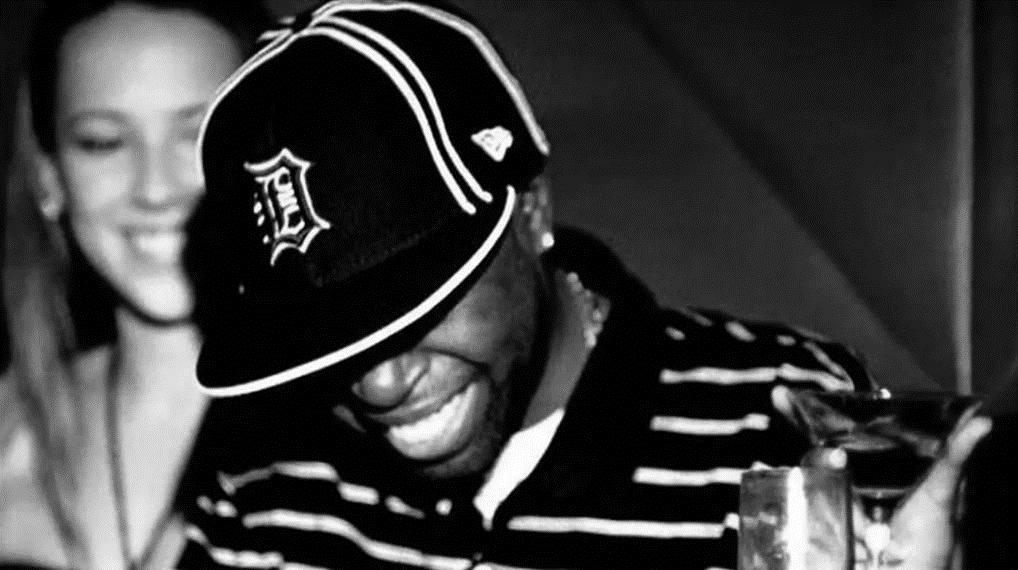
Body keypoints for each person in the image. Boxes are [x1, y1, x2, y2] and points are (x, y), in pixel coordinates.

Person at [175, 1, 992, 568]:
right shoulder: (265, 476)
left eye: (418, 307)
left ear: (532, 212)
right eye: (327, 342)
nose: (381, 385)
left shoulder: (771, 435)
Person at [0, 2, 273, 569]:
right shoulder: (11, 421)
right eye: (104, 141)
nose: (155, 189)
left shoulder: (379, 420)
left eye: (198, 134)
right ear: (49, 177)